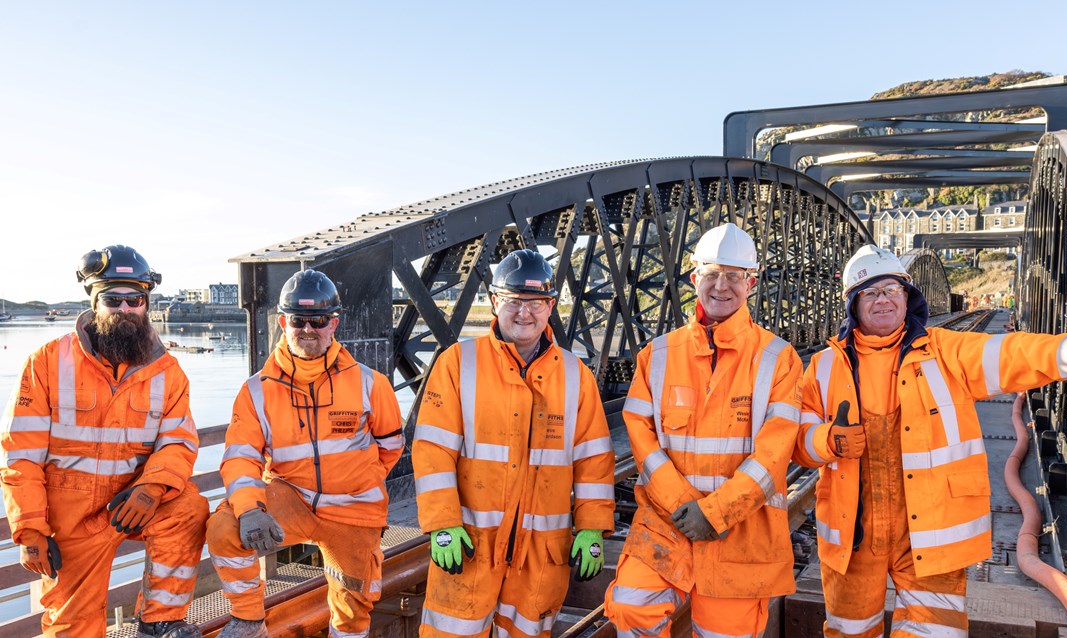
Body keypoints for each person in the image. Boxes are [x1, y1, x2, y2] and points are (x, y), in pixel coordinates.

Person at [793, 244, 1067, 637]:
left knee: (934, 633)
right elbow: (799, 441)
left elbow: (1015, 353)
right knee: (849, 631)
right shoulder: (823, 368)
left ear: (907, 297)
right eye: (870, 292)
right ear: (854, 304)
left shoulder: (946, 352)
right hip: (853, 539)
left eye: (891, 289)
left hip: (933, 534)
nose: (882, 299)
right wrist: (827, 440)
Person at [604, 222, 803, 638]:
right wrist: (684, 506)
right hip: (667, 522)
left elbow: (773, 455)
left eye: (734, 276)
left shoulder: (778, 359)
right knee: (630, 606)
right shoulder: (657, 355)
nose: (721, 286)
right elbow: (641, 438)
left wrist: (714, 513)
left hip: (742, 531)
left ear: (752, 281)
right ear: (695, 279)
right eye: (712, 274)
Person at [1, 245, 208, 638]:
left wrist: (151, 486)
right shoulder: (47, 361)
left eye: (135, 299)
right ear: (95, 302)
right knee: (71, 628)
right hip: (70, 516)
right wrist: (30, 529)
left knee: (189, 509)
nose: (125, 308)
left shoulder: (169, 373)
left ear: (146, 303)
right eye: (113, 299)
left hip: (135, 501)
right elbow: (20, 453)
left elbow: (179, 442)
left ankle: (160, 621)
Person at [412, 248, 615, 638]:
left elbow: (594, 460)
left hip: (540, 556)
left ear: (551, 306)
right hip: (470, 547)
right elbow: (433, 450)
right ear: (494, 302)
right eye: (514, 301)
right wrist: (442, 523)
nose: (525, 313)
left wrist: (592, 527)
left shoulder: (576, 376)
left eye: (536, 303)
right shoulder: (459, 363)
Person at [207, 269, 404, 638]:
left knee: (353, 607)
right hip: (290, 498)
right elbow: (240, 456)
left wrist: (358, 483)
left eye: (319, 320)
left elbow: (391, 447)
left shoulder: (370, 383)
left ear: (335, 323)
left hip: (353, 508)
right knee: (224, 528)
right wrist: (249, 509)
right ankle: (248, 620)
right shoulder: (256, 391)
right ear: (283, 322)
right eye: (299, 320)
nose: (308, 329)